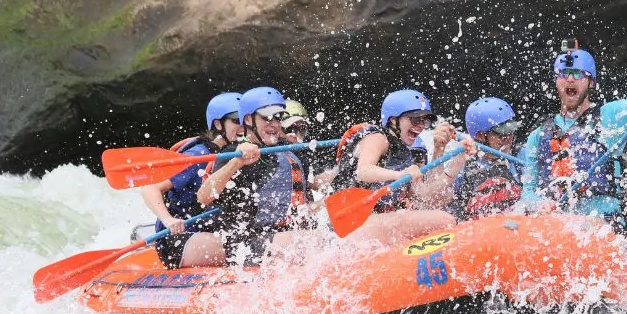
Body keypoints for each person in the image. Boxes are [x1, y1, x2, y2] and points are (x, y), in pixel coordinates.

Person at [521, 39, 627, 240]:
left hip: (606, 226)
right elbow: (527, 193)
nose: (570, 79)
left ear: (591, 82)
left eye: (579, 74)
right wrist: (538, 204)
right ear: (556, 81)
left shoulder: (610, 116)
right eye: (564, 74)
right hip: (561, 231)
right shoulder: (538, 136)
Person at [330, 89, 477, 243]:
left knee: (441, 211)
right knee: (443, 220)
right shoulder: (377, 137)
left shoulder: (406, 153)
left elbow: (427, 199)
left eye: (424, 121)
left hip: (372, 222)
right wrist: (400, 175)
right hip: (348, 223)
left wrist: (452, 159)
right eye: (415, 120)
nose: (421, 126)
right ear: (394, 120)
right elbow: (363, 170)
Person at [196, 86, 314, 266]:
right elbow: (204, 197)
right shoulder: (232, 153)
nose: (274, 123)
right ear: (249, 119)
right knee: (308, 244)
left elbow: (309, 192)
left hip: (285, 234)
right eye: (266, 117)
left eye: (278, 117)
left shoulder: (288, 151)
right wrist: (237, 162)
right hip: (247, 243)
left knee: (327, 237)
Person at [140, 92, 239, 269]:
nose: (243, 127)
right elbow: (151, 188)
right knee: (239, 247)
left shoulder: (238, 155)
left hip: (207, 231)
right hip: (178, 239)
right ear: (218, 124)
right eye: (236, 121)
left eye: (246, 121)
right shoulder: (199, 155)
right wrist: (168, 220)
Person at [449, 97, 524, 220]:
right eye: (501, 133)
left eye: (511, 131)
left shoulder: (521, 155)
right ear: (480, 136)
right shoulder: (463, 165)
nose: (509, 137)